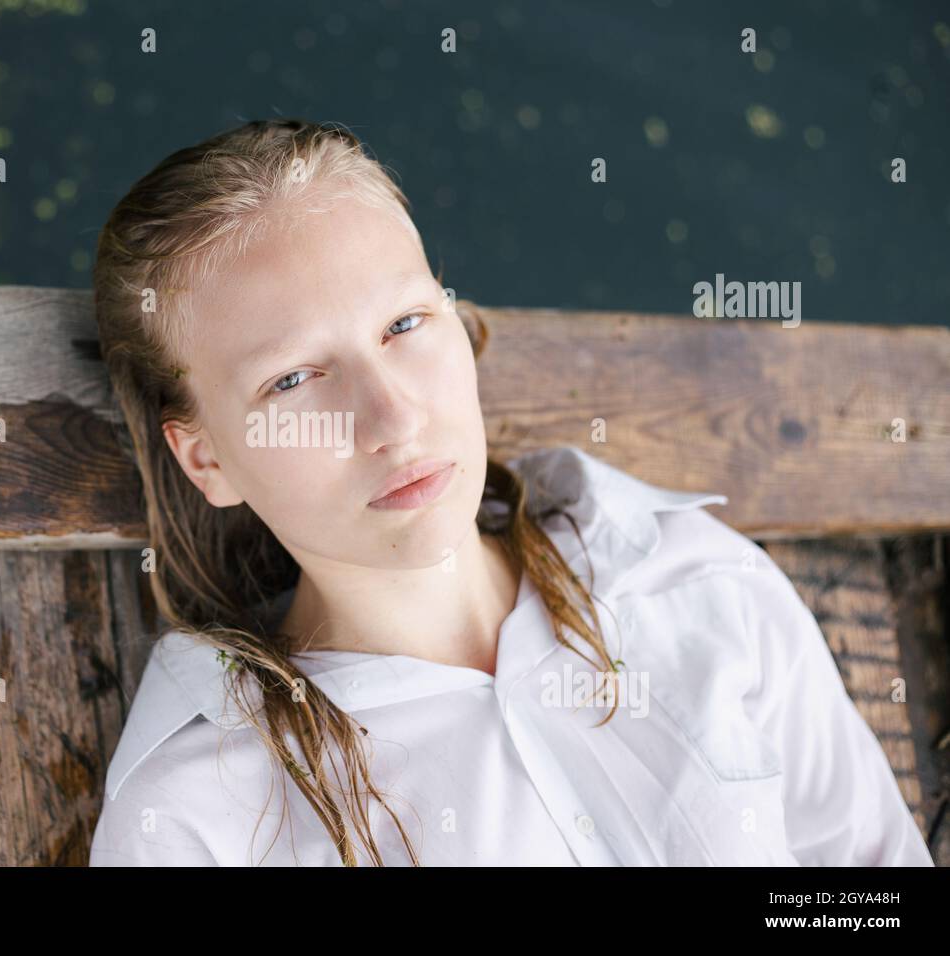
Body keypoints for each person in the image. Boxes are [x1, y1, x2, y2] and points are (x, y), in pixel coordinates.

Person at [87, 118, 933, 867]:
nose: (394, 419)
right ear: (208, 462)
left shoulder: (693, 585)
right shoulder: (196, 821)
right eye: (296, 379)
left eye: (405, 325)